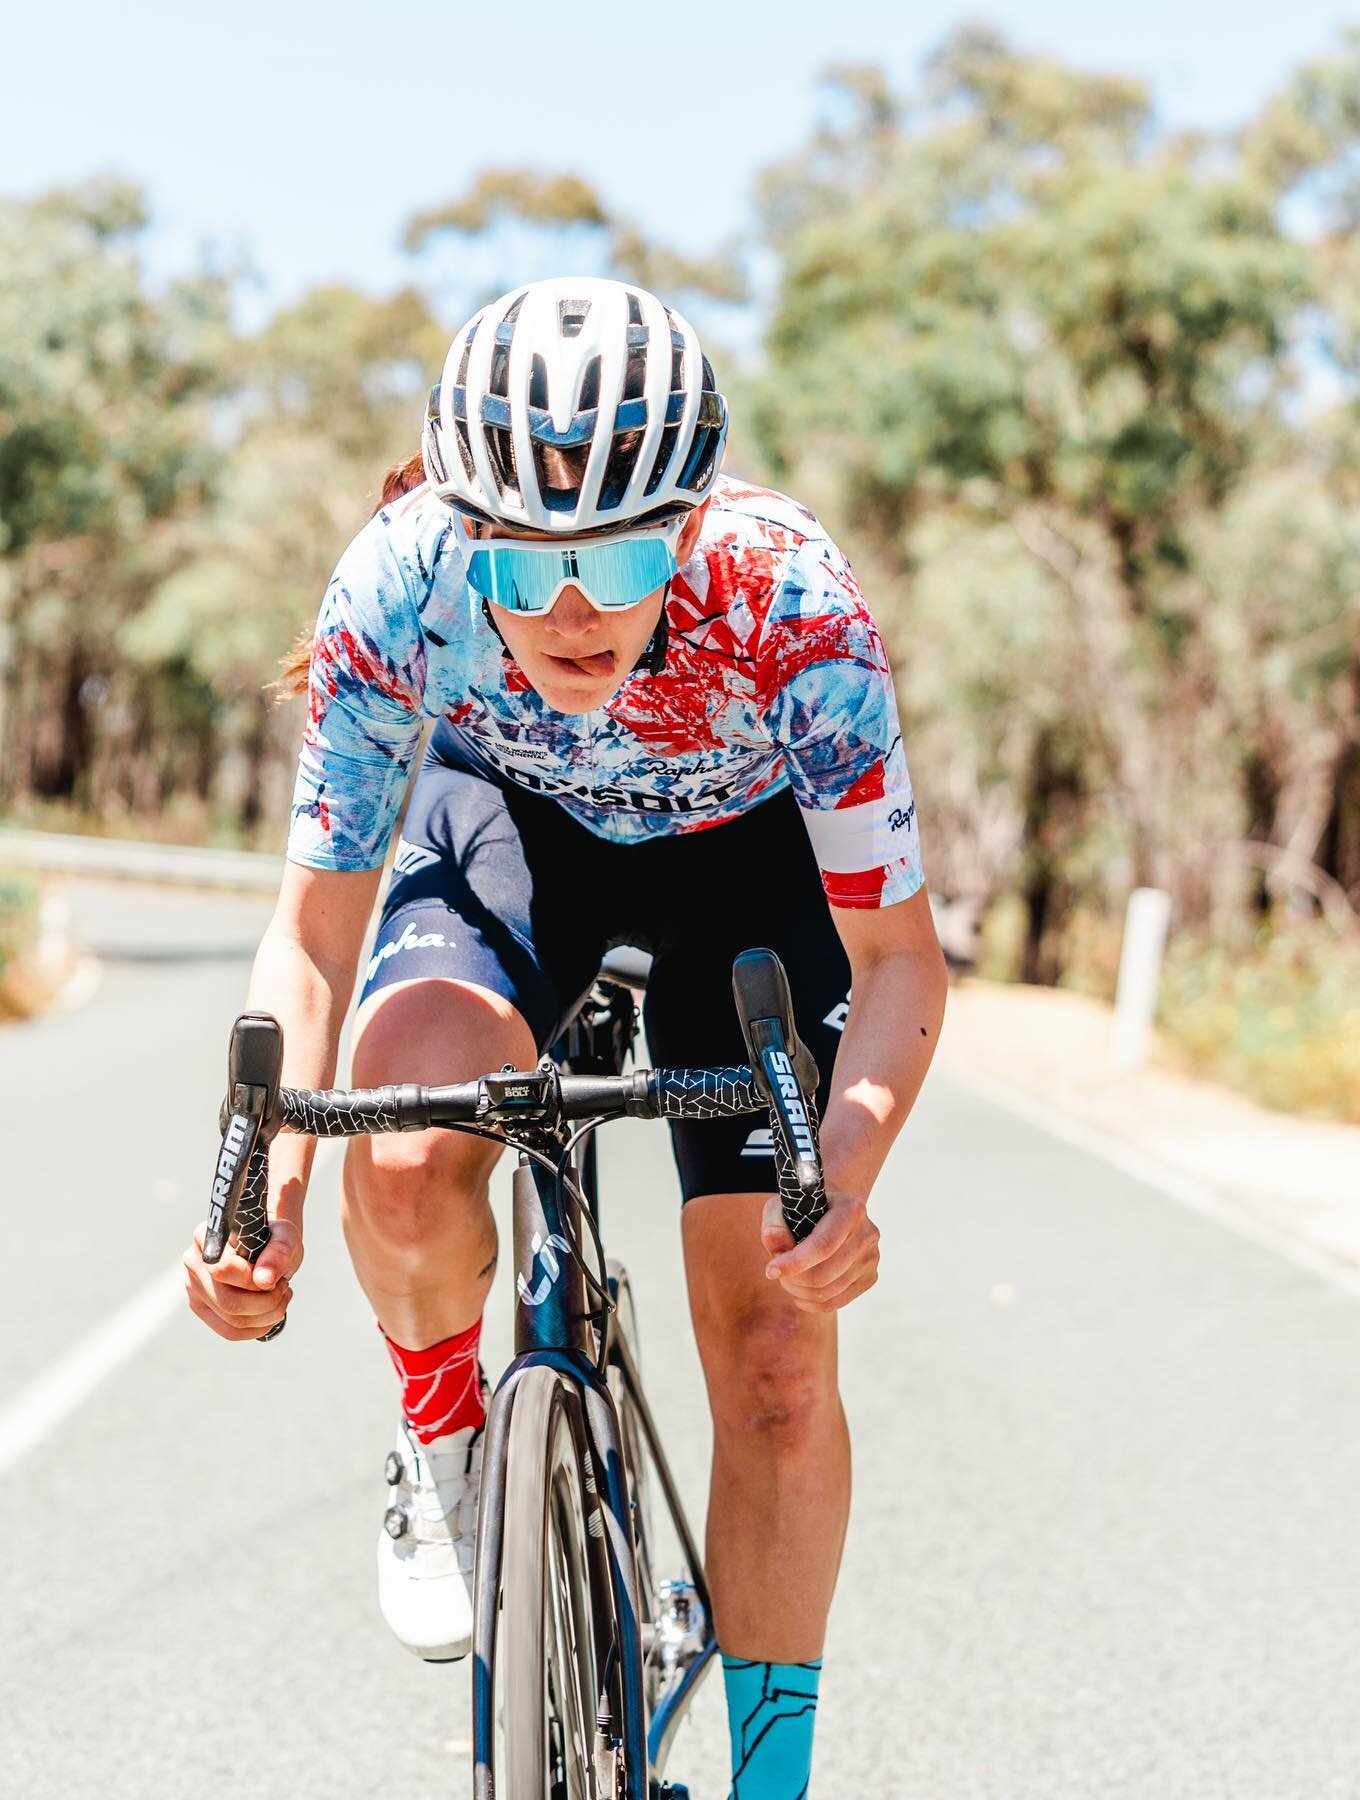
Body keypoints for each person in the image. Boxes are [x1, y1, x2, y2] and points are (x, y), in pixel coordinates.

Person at [183, 276, 946, 1797]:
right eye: (526, 568)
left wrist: (845, 1168)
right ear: (464, 533)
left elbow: (900, 961)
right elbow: (315, 934)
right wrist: (263, 1175)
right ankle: (444, 1430)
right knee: (396, 1161)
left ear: (694, 519)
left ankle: (771, 1774)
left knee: (780, 1346)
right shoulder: (398, 583)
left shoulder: (792, 603)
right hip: (506, 843)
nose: (575, 608)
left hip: (748, 870)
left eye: (620, 553)